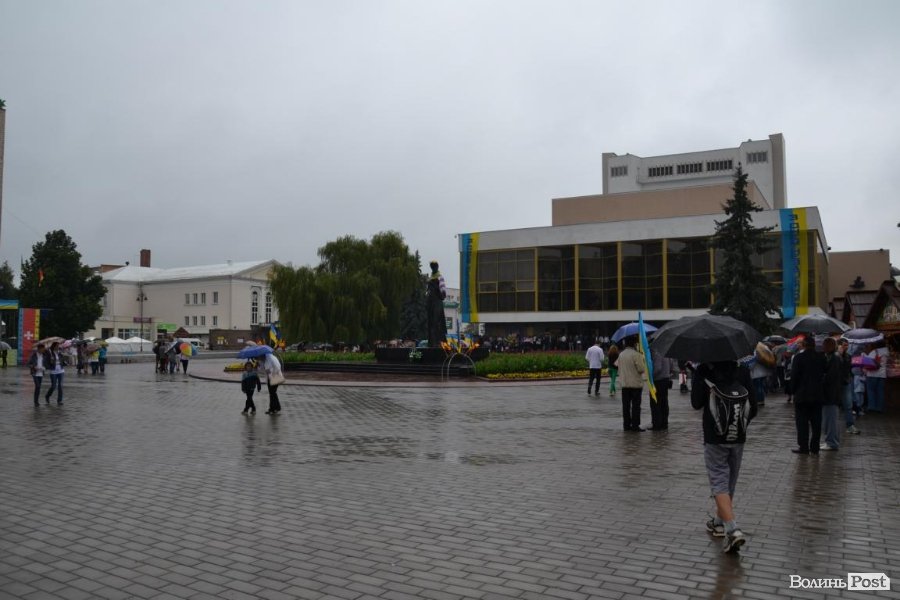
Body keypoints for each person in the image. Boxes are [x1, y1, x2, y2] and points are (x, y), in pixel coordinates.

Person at [691, 360, 757, 554]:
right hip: (738, 435)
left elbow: (696, 403)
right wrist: (739, 424)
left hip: (714, 436)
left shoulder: (704, 369)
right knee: (730, 482)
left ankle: (732, 529)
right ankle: (719, 522)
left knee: (719, 481)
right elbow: (753, 406)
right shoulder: (742, 369)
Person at [791, 336, 825, 454]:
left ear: (804, 345)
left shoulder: (799, 357)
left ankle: (803, 446)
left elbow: (794, 376)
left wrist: (793, 391)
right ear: (814, 345)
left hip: (802, 395)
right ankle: (815, 447)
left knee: (802, 422)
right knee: (816, 423)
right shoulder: (821, 358)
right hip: (817, 395)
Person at [617, 336, 645, 432]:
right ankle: (635, 425)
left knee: (626, 406)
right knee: (636, 406)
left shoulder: (621, 354)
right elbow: (641, 369)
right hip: (635, 384)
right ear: (634, 344)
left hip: (625, 384)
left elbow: (618, 367)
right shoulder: (636, 354)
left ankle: (626, 425)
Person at [821, 338, 842, 451]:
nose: (823, 347)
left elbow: (831, 376)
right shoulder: (831, 357)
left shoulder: (835, 358)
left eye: (825, 345)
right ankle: (830, 440)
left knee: (831, 419)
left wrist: (822, 377)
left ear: (831, 346)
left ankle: (832, 442)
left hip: (831, 394)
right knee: (829, 418)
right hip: (830, 394)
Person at [650, 349, 676, 431]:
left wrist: (650, 376)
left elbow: (657, 368)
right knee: (664, 402)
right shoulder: (667, 353)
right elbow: (672, 367)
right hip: (665, 380)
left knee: (656, 403)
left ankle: (657, 424)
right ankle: (664, 423)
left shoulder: (657, 354)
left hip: (658, 381)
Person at [838, 340, 860, 435]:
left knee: (848, 405)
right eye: (844, 345)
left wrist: (849, 378)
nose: (846, 347)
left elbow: (847, 368)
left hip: (845, 382)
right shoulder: (834, 355)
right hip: (835, 384)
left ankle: (850, 425)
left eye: (847, 345)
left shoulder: (848, 356)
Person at [426, 260, 447, 348]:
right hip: (430, 302)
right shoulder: (430, 278)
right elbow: (427, 291)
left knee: (437, 321)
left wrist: (442, 295)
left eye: (434, 266)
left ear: (437, 267)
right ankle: (432, 342)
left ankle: (438, 342)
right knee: (431, 322)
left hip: (437, 301)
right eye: (432, 266)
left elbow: (443, 289)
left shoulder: (440, 277)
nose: (433, 268)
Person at [865, 341, 888, 413]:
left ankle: (872, 407)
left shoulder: (874, 351)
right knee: (880, 391)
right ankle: (879, 408)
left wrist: (864, 355)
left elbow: (868, 361)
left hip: (872, 374)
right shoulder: (886, 352)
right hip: (882, 374)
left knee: (871, 391)